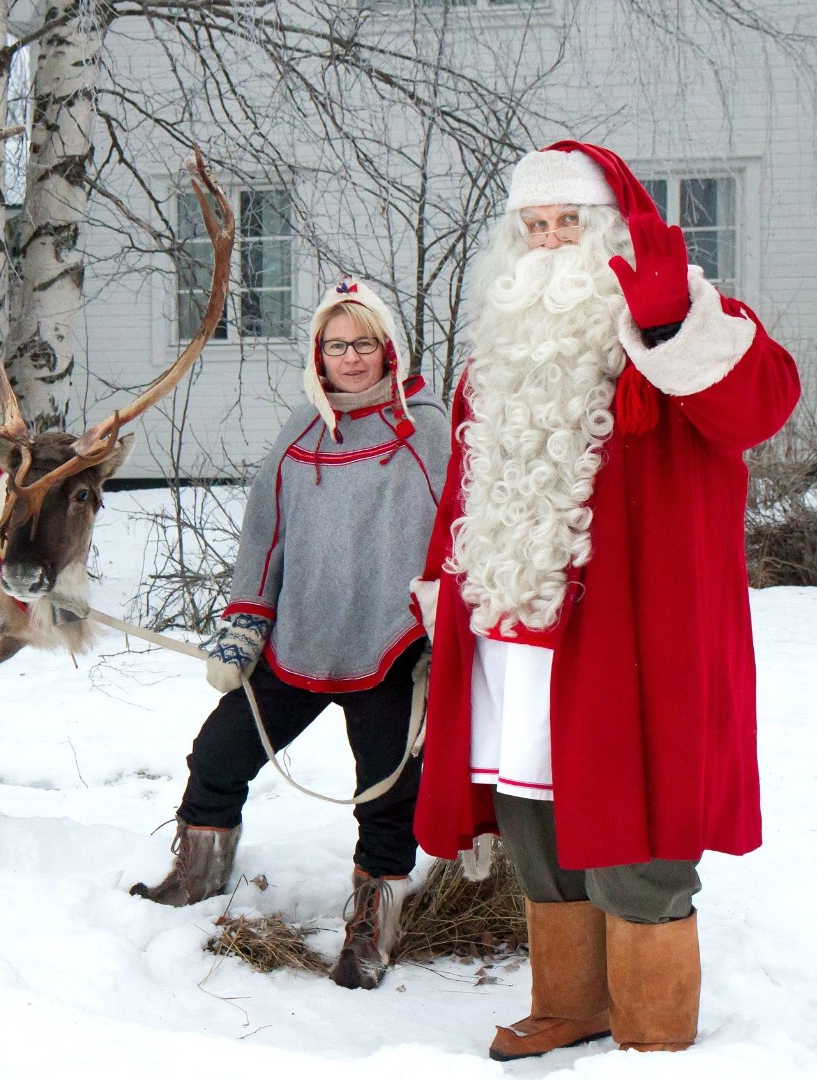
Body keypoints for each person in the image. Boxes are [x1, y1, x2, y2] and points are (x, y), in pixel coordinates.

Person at [409, 142, 800, 1057]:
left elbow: (760, 408)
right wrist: (439, 599)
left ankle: (654, 1027)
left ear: (613, 234)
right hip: (513, 635)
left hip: (629, 638)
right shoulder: (490, 364)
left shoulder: (675, 339)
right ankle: (570, 1001)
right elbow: (461, 493)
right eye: (532, 228)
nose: (547, 244)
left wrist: (670, 326)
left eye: (567, 225)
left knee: (636, 820)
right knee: (533, 819)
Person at [131, 278, 450, 990]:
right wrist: (247, 619)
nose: (350, 358)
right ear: (318, 355)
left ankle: (373, 927)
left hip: (391, 646)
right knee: (215, 755)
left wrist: (442, 631)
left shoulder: (425, 427)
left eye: (362, 343)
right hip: (299, 639)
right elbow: (264, 536)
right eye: (335, 346)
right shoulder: (300, 431)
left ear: (387, 347)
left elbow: (454, 535)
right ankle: (196, 878)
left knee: (386, 796)